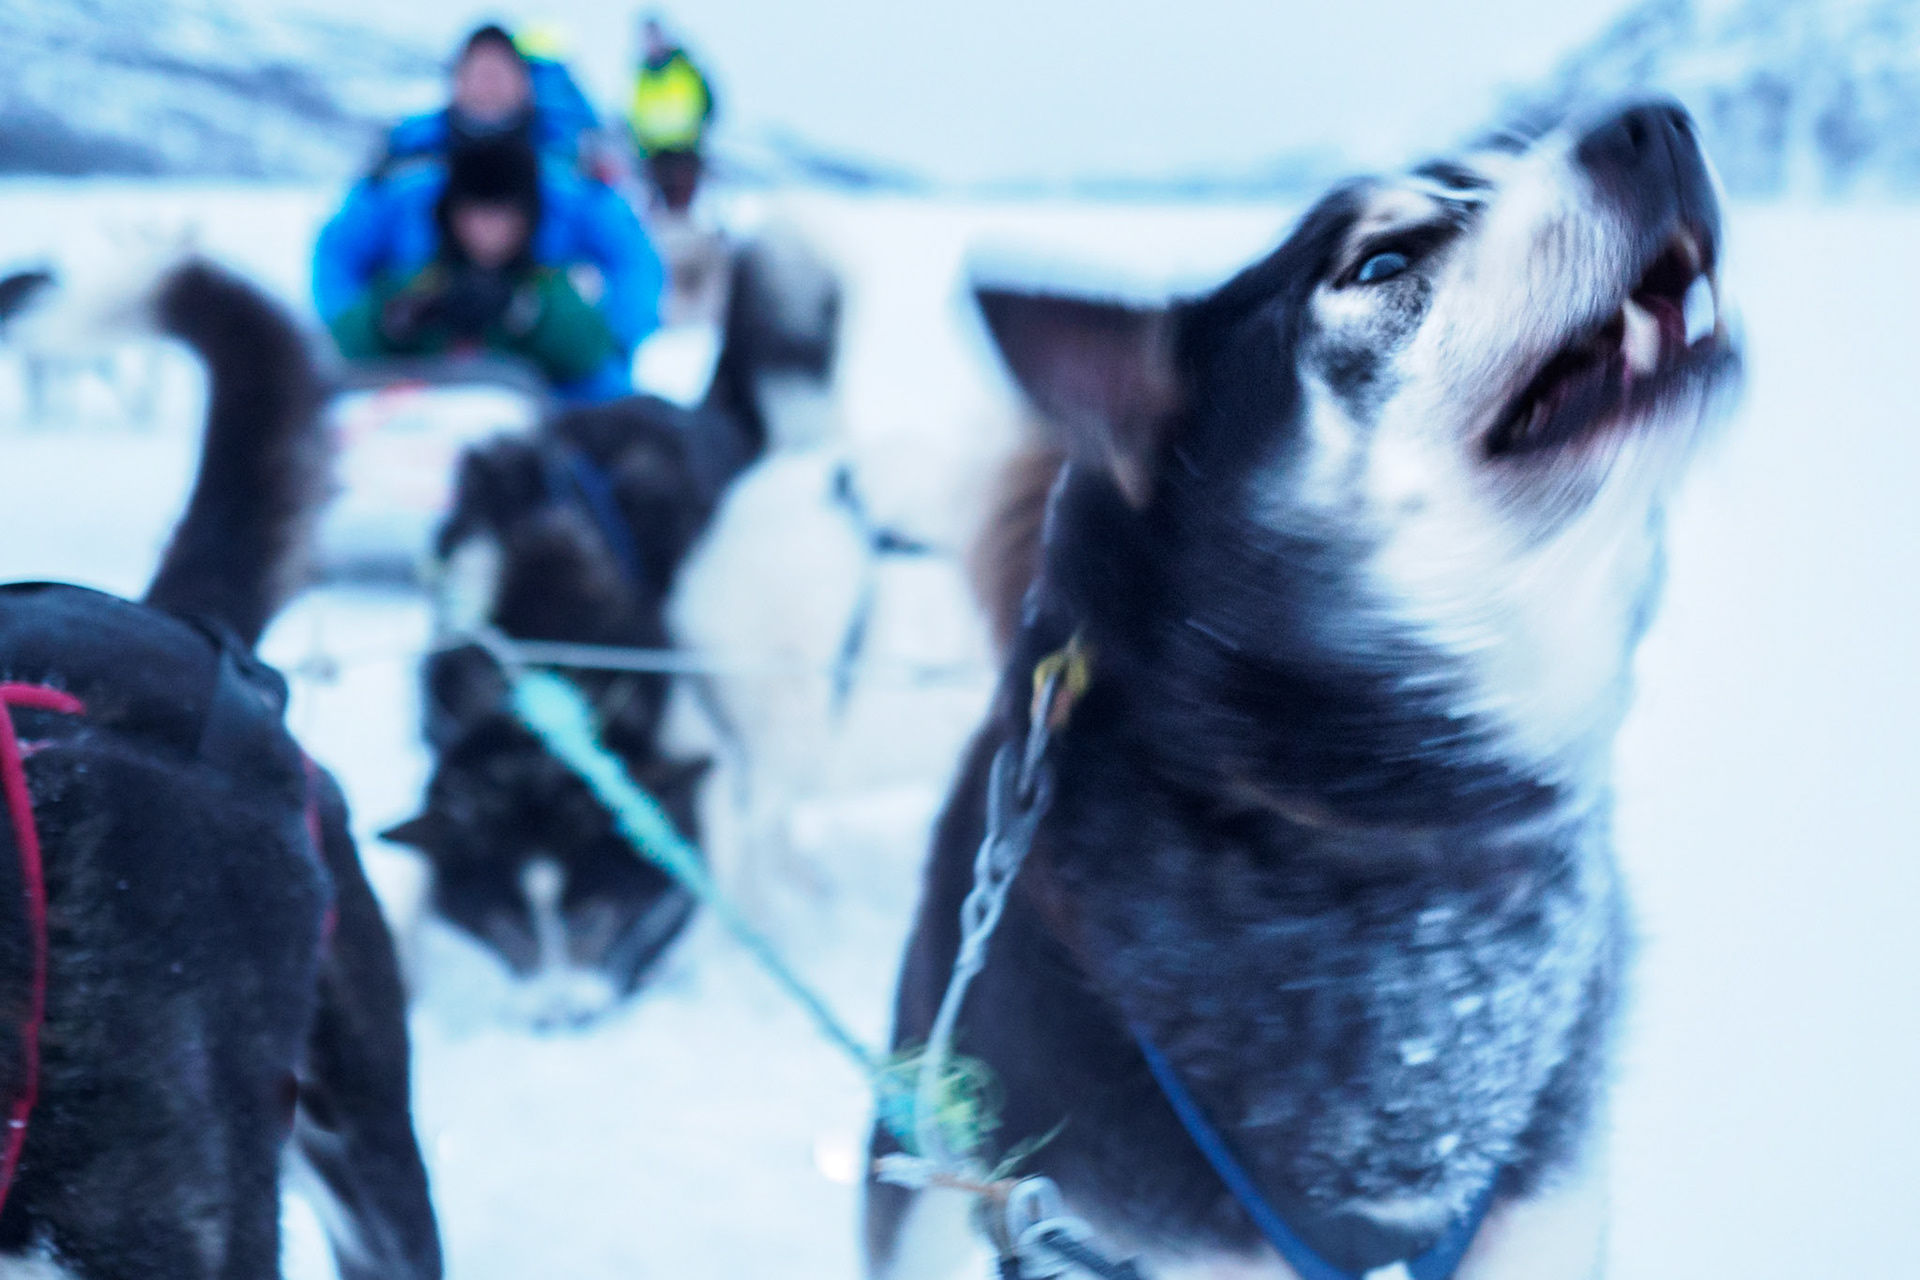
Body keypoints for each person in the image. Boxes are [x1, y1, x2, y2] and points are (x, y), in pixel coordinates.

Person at [321, 137, 641, 400]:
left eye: (502, 216)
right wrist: (390, 321)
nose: (487, 230)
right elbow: (346, 340)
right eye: (475, 214)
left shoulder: (547, 284)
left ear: (526, 221)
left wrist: (526, 314)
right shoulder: (419, 281)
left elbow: (590, 350)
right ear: (450, 218)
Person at [381, 25, 583, 172]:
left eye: (498, 75)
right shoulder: (408, 146)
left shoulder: (566, 150)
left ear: (524, 84)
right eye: (479, 74)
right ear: (456, 82)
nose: (488, 87)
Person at [627, 17, 715, 213]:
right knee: (659, 209)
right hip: (655, 152)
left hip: (684, 149)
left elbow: (708, 103)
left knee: (684, 206)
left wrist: (700, 133)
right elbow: (635, 112)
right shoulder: (642, 74)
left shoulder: (685, 67)